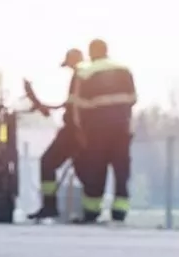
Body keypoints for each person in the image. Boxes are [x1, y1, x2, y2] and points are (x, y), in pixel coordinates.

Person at [72, 38, 137, 224]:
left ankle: (92, 211)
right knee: (121, 170)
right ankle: (120, 212)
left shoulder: (85, 73)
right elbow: (132, 99)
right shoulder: (124, 70)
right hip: (122, 128)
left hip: (97, 130)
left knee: (95, 171)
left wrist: (80, 132)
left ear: (91, 52)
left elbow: (79, 107)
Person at [28, 47, 85, 221]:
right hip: (81, 130)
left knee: (47, 163)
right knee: (84, 170)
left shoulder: (80, 76)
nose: (69, 68)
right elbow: (69, 104)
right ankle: (88, 211)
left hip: (73, 131)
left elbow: (75, 107)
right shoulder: (83, 76)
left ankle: (50, 205)